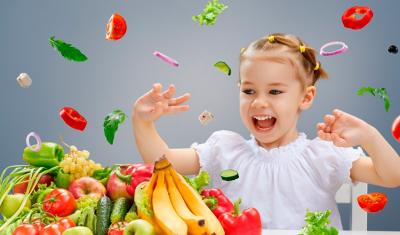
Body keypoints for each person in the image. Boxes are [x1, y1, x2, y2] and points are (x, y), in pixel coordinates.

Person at [131, 32, 400, 230]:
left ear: (305, 98)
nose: (259, 101)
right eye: (249, 91)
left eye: (274, 91)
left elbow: (392, 176)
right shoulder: (224, 151)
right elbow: (162, 162)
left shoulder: (323, 154)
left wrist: (369, 136)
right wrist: (143, 122)